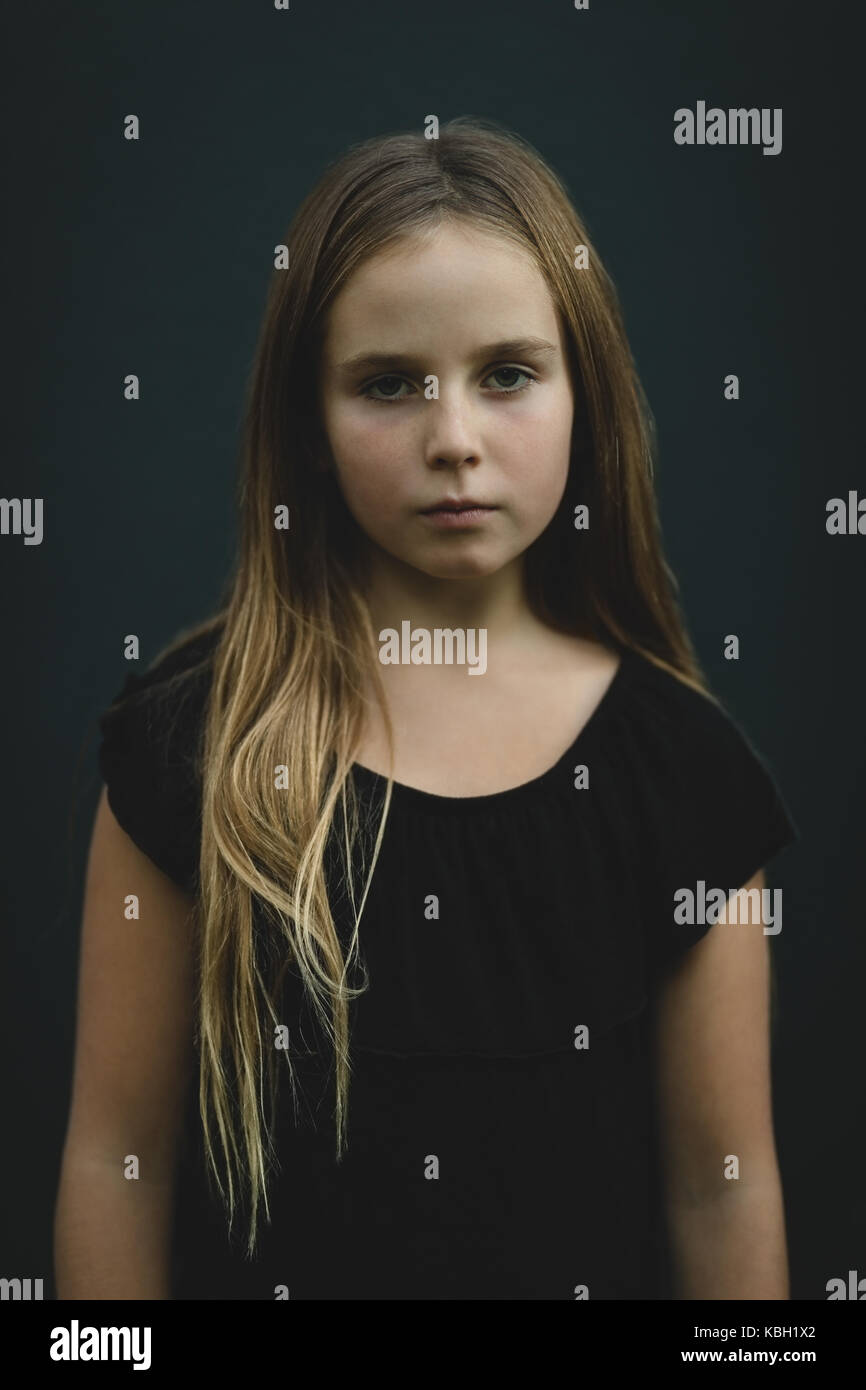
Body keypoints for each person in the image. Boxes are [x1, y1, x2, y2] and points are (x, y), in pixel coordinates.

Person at [54, 117, 798, 1300]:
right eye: (388, 385)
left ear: (582, 392)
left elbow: (721, 1188)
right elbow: (114, 1161)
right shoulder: (188, 750)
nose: (452, 440)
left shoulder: (684, 777)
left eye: (506, 373)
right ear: (308, 420)